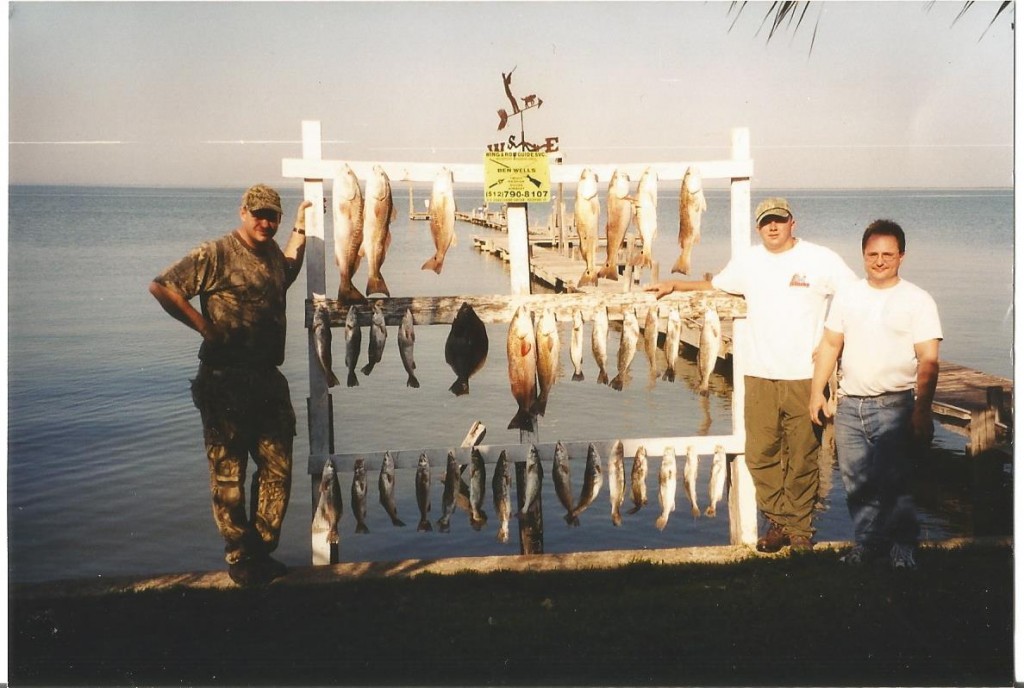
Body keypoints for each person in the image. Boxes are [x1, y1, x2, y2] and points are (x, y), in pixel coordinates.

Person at [648, 197, 856, 552]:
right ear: (758, 228)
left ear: (793, 222)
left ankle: (800, 530)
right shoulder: (749, 261)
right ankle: (779, 521)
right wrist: (676, 285)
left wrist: (832, 342)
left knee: (804, 455)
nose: (772, 227)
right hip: (758, 374)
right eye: (765, 222)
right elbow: (716, 286)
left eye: (779, 220)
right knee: (760, 455)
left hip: (807, 377)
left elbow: (855, 297)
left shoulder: (820, 259)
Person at [150, 184, 312, 586]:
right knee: (229, 472)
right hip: (224, 381)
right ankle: (240, 556)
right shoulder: (216, 252)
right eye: (258, 214)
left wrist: (301, 231)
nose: (265, 222)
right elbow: (163, 287)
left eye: (272, 216)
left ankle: (261, 550)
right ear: (243, 211)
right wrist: (205, 327)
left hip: (267, 379)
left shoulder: (273, 253)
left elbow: (286, 272)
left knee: (278, 469)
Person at [809, 220, 941, 570]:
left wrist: (922, 411)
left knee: (895, 482)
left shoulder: (918, 300)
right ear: (863, 255)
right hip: (851, 406)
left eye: (887, 254)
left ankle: (903, 549)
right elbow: (830, 345)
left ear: (901, 256)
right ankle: (867, 545)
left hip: (895, 406)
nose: (879, 261)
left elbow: (929, 360)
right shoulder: (848, 295)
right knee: (856, 484)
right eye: (873, 254)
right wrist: (816, 394)